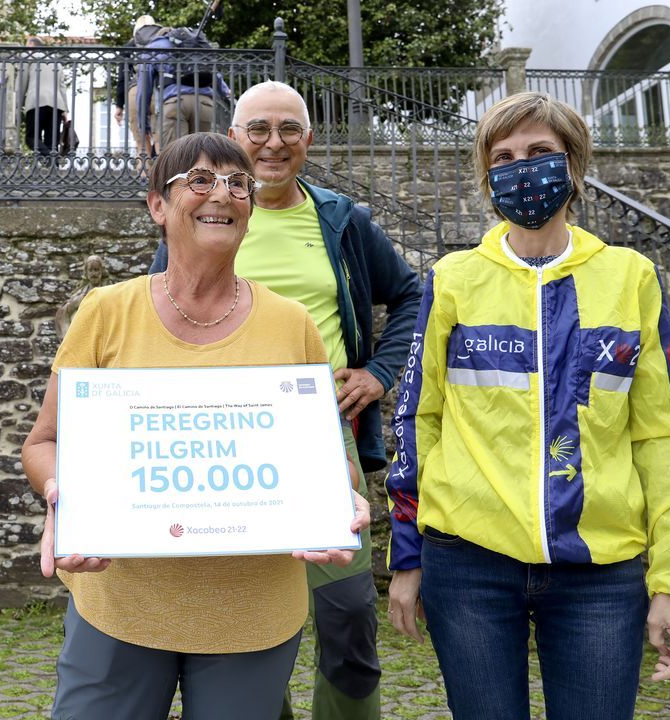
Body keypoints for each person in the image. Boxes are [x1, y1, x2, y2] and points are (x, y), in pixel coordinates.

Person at [22, 132, 371, 719]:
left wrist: (341, 498)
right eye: (201, 181)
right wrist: (63, 495)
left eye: (240, 184)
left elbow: (325, 460)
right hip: (120, 605)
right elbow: (45, 443)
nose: (225, 195)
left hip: (252, 615)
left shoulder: (292, 324)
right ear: (158, 205)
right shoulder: (107, 311)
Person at [385, 91, 670, 720]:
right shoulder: (452, 279)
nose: (520, 167)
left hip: (601, 571)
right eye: (501, 157)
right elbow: (417, 419)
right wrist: (407, 554)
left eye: (539, 152)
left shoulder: (630, 276)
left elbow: (661, 435)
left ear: (574, 166)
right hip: (468, 562)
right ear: (486, 177)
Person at [150, 81, 423, 720]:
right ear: (234, 138)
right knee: (245, 628)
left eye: (289, 129)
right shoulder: (199, 217)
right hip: (225, 454)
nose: (274, 143)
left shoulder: (341, 220)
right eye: (259, 130)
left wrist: (381, 370)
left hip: (325, 449)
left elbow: (411, 294)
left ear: (308, 139)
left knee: (348, 618)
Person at [136, 27, 232, 152]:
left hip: (175, 103)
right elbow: (217, 78)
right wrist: (229, 97)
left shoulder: (155, 46)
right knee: (200, 155)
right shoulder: (197, 45)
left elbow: (144, 90)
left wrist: (143, 125)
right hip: (205, 103)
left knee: (175, 156)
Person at [112, 14, 158, 159]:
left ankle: (144, 179)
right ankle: (164, 179)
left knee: (142, 146)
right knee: (161, 142)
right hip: (158, 91)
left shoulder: (129, 46)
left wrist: (119, 105)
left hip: (136, 90)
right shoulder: (161, 43)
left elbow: (122, 78)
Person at [18, 36, 70, 157]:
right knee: (51, 142)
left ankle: (52, 158)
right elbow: (62, 87)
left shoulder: (28, 58)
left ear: (31, 45)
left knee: (31, 138)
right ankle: (53, 166)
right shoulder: (55, 61)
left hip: (36, 101)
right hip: (57, 104)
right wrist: (65, 110)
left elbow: (21, 84)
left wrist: (18, 106)